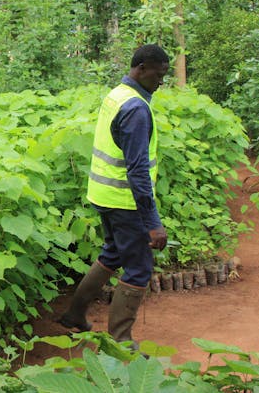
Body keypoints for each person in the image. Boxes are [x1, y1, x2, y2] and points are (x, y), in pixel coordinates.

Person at [57, 43, 170, 348]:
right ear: (142, 68)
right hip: (125, 201)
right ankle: (121, 344)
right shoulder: (135, 109)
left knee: (113, 254)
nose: (160, 83)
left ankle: (74, 316)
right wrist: (153, 223)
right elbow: (137, 171)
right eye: (158, 75)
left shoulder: (118, 94)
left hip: (105, 195)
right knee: (138, 268)